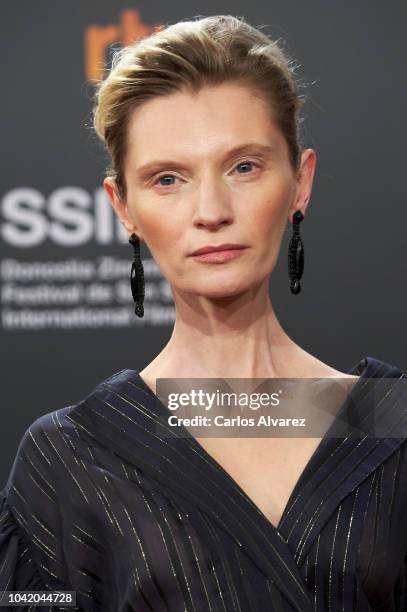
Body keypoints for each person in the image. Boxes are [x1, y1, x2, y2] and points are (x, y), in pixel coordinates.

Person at [1, 14, 406, 612]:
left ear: (300, 181)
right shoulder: (69, 457)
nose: (211, 209)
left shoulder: (389, 422)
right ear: (124, 207)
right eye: (168, 179)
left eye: (244, 167)